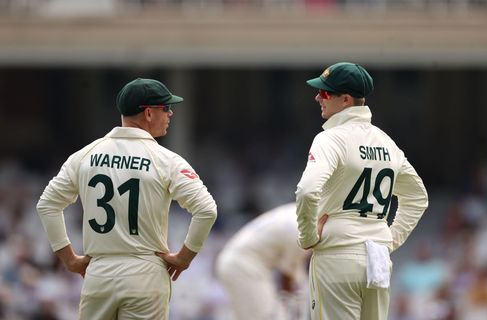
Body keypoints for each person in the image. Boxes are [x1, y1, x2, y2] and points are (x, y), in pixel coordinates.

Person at [36, 78, 217, 319]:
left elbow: (47, 205)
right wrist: (184, 258)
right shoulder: (166, 160)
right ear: (149, 113)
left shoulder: (85, 155)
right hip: (145, 272)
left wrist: (69, 259)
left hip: (99, 273)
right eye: (166, 108)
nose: (171, 114)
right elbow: (207, 210)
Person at [295, 62, 428, 320]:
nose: (317, 97)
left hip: (337, 255)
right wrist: (388, 239)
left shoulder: (330, 138)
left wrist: (308, 237)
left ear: (345, 99)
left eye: (324, 93)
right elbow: (417, 197)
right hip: (377, 258)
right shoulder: (386, 142)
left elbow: (307, 191)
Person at [215, 202, 310, 320]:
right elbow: (288, 278)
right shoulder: (303, 229)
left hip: (233, 261)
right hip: (244, 267)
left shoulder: (299, 210)